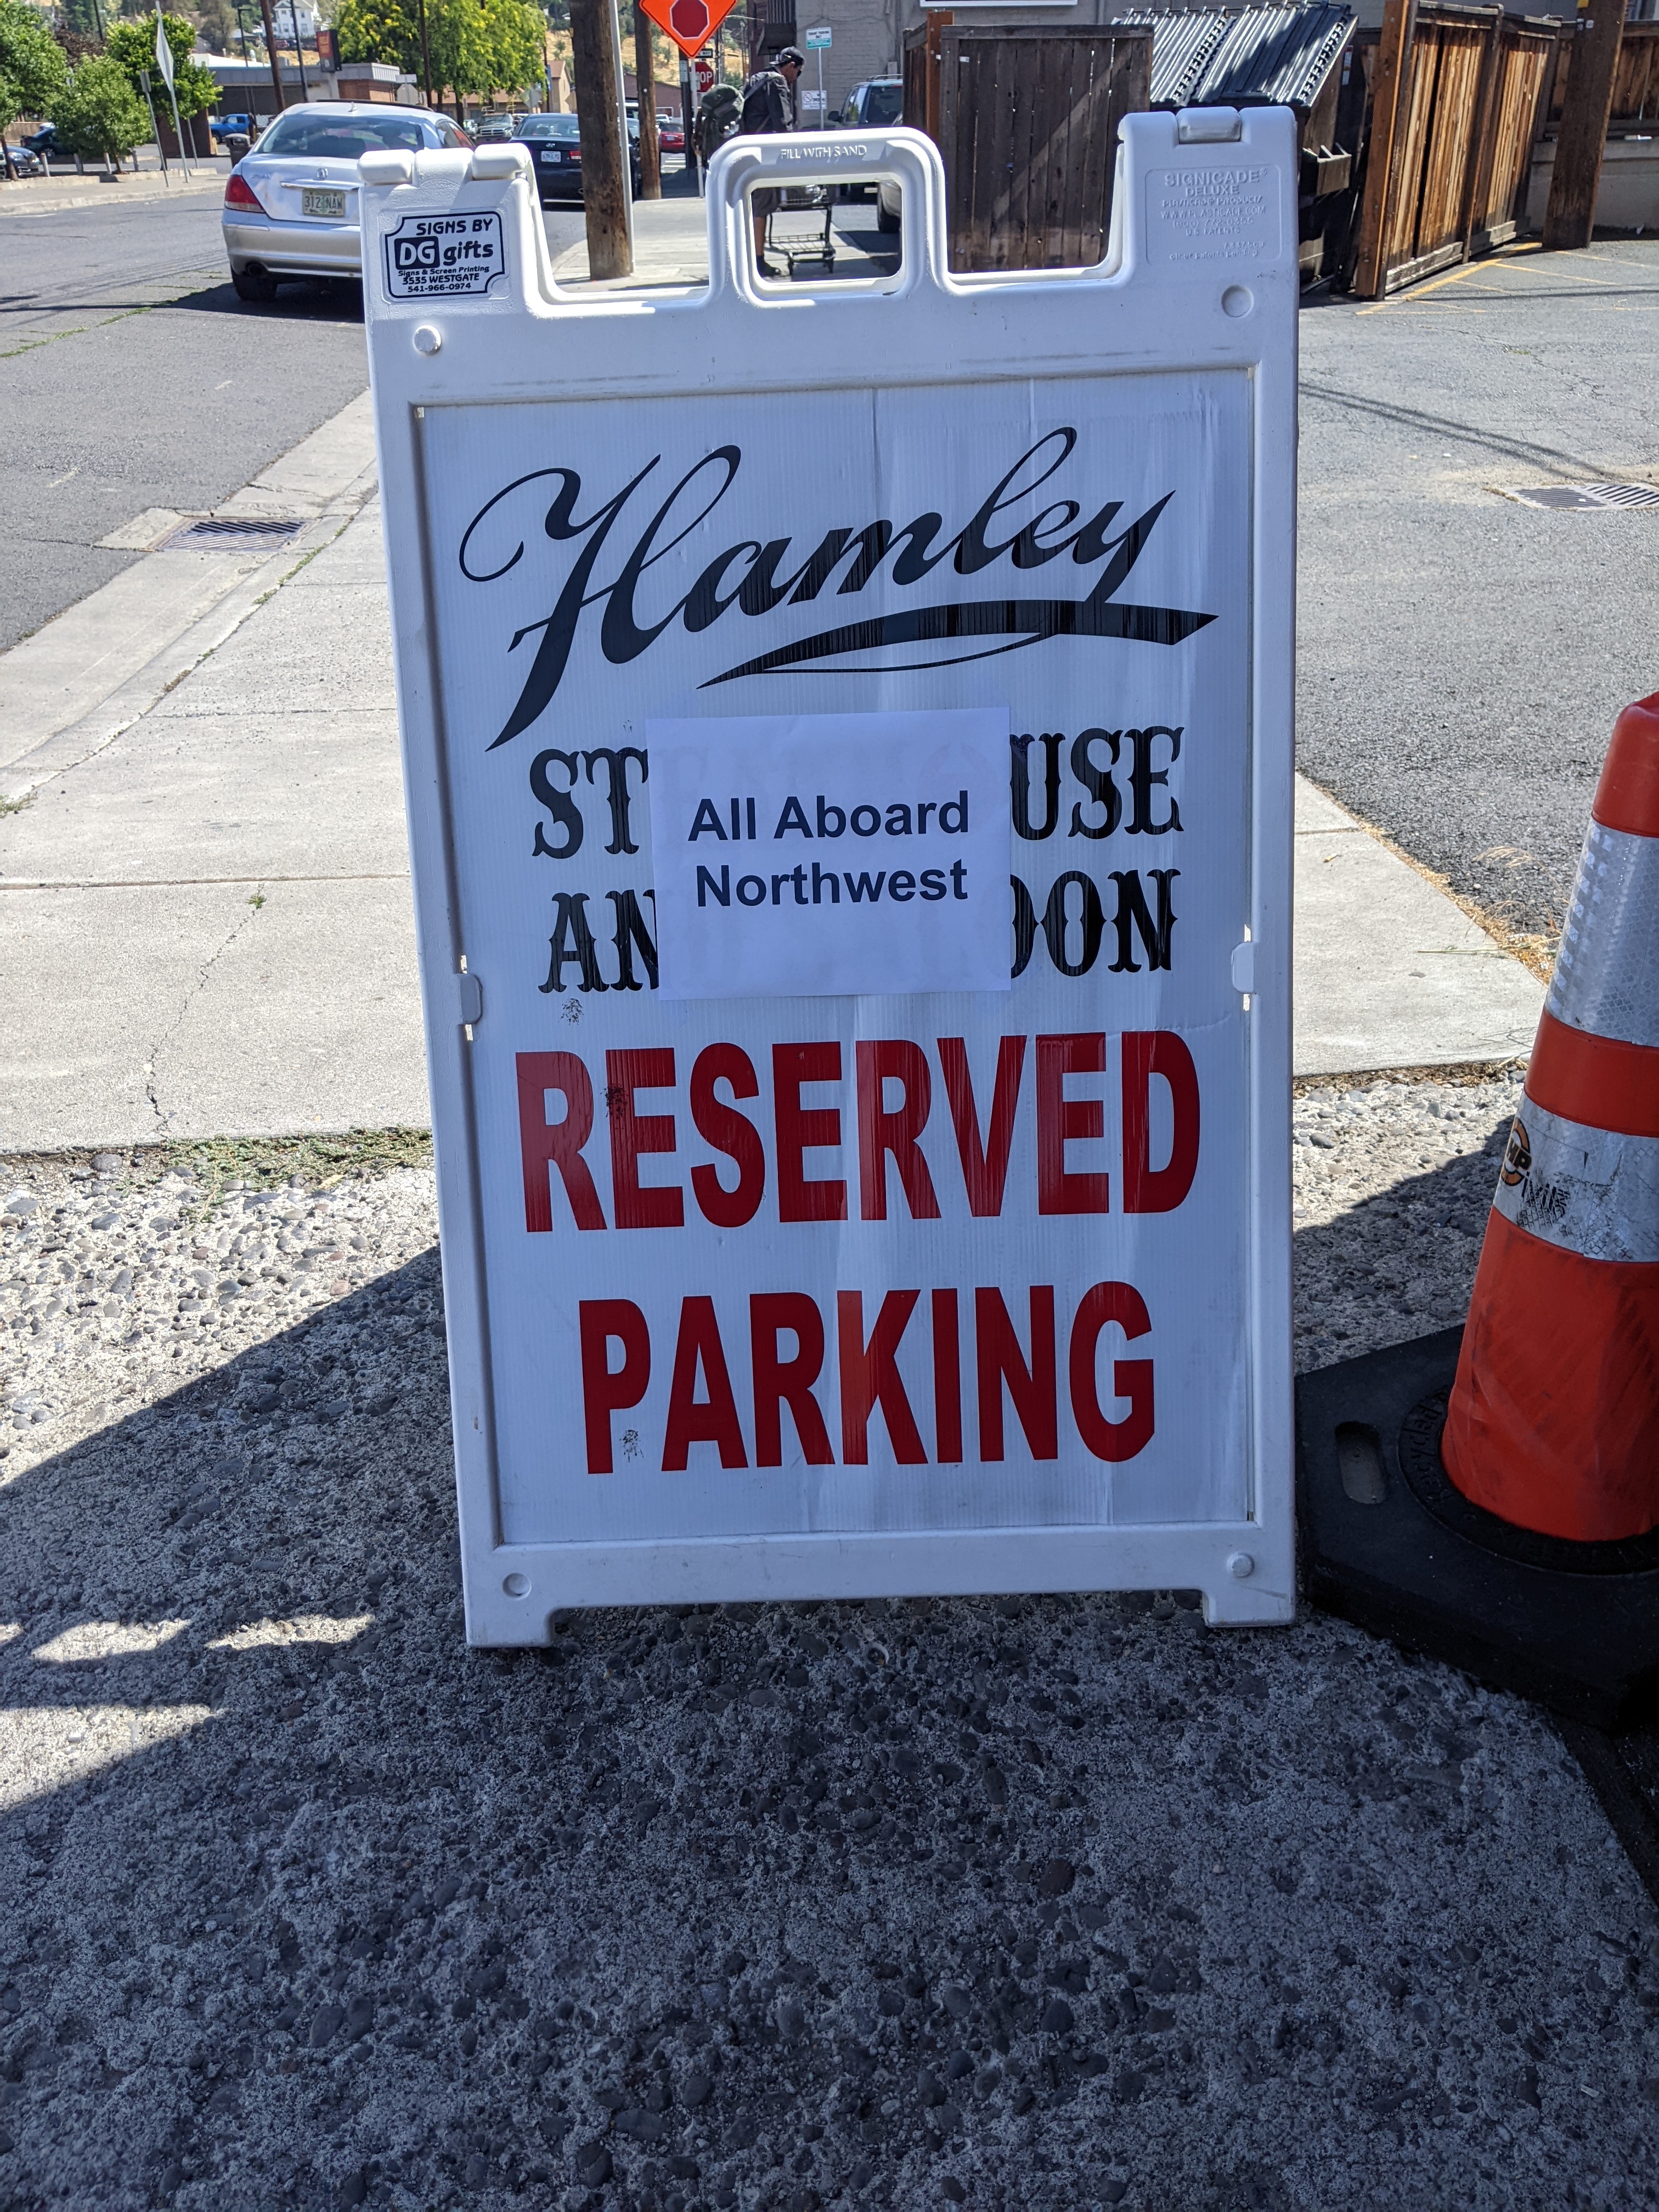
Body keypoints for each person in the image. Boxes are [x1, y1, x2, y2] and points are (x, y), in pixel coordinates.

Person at [738, 45, 804, 276]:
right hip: (763, 155)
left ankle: (751, 257)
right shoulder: (777, 82)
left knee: (753, 206)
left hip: (746, 150)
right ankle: (758, 262)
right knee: (762, 207)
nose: (796, 78)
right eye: (798, 73)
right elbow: (783, 124)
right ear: (791, 66)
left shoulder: (757, 78)